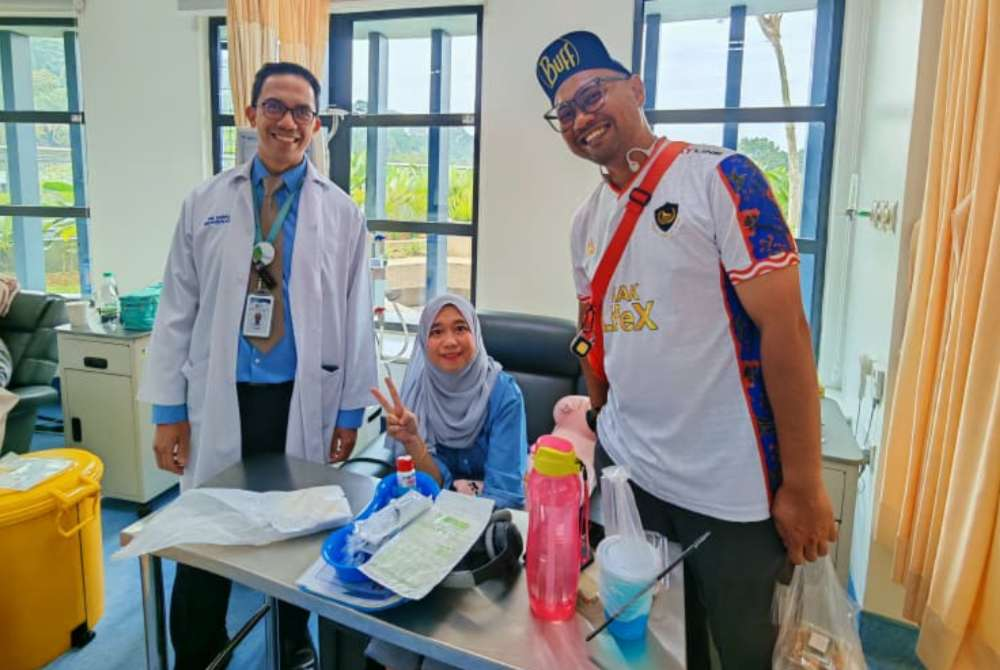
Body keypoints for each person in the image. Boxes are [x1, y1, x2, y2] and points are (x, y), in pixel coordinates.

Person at [536, 31, 837, 668]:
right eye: (565, 112)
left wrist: (805, 484)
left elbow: (787, 329)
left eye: (593, 94)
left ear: (636, 89)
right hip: (634, 474)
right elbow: (596, 333)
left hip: (730, 489)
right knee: (649, 641)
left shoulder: (720, 178)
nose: (581, 117)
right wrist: (599, 423)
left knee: (743, 648)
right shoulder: (585, 221)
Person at [139, 61, 377, 670]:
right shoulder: (205, 203)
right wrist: (168, 412)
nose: (287, 122)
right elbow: (176, 311)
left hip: (299, 399)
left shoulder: (342, 213)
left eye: (301, 112)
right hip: (221, 397)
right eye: (274, 106)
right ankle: (199, 645)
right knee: (207, 529)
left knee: (296, 532)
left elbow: (355, 321)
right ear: (251, 115)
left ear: (316, 126)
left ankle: (294, 638)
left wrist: (349, 410)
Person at [371, 293, 528, 510]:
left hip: (492, 514)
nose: (450, 342)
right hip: (436, 512)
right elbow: (431, 484)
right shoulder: (417, 392)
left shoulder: (504, 395)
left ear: (476, 333)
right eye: (436, 332)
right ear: (425, 341)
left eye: (460, 328)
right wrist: (413, 440)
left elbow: (505, 493)